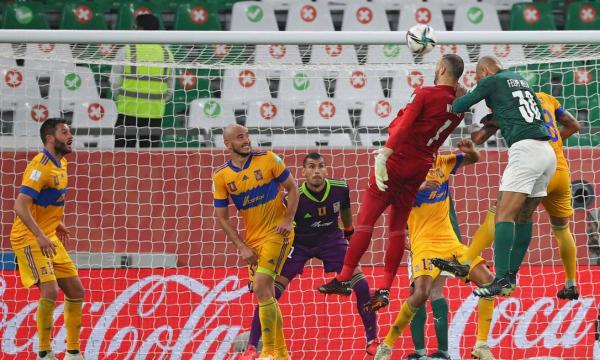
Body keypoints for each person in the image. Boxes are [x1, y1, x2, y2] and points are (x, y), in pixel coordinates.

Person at [319, 54, 466, 312]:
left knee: (365, 221)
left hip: (398, 159)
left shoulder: (424, 94)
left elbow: (403, 126)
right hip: (421, 166)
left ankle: (343, 278)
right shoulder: (459, 106)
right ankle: (385, 288)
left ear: (442, 68)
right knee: (397, 228)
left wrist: (384, 154)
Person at [434, 91, 581, 300]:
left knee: (500, 213)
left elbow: (479, 138)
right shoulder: (547, 98)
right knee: (561, 228)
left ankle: (468, 262)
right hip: (559, 169)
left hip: (533, 165)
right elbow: (574, 125)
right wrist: (553, 142)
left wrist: (482, 126)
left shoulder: (510, 106)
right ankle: (571, 283)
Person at [238, 152, 379, 359]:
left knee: (362, 284)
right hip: (300, 243)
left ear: (326, 170)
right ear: (303, 172)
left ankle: (372, 340)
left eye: (321, 166)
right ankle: (251, 347)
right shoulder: (293, 197)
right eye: (311, 167)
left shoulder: (340, 188)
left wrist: (349, 231)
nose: (317, 171)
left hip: (331, 240)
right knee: (270, 292)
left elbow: (345, 211)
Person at [374, 139, 496, 360]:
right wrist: (417, 188)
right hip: (423, 245)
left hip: (450, 243)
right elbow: (392, 199)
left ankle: (480, 344)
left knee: (488, 281)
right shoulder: (403, 174)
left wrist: (473, 152)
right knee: (420, 293)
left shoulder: (444, 162)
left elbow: (473, 159)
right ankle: (387, 345)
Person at [447, 56, 558, 297]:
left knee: (503, 215)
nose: (479, 81)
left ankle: (500, 278)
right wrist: (499, 116)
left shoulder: (491, 80)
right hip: (547, 152)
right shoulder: (520, 80)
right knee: (524, 217)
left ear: (485, 71)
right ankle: (510, 277)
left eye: (478, 77)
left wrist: (459, 92)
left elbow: (458, 106)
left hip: (525, 151)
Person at [213, 124, 299, 360]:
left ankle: (268, 352)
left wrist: (288, 219)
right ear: (228, 144)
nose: (246, 140)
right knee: (266, 294)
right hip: (253, 241)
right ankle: (282, 354)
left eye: (247, 136)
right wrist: (241, 246)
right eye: (240, 137)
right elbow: (222, 217)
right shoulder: (221, 176)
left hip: (278, 234)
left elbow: (293, 188)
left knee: (261, 286)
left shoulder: (269, 159)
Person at [10, 118, 85, 360]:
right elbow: (20, 205)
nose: (70, 136)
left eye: (70, 131)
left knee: (76, 289)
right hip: (28, 238)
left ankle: (73, 353)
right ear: (50, 139)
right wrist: (41, 234)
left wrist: (55, 223)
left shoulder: (60, 163)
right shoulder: (40, 166)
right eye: (64, 132)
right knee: (50, 290)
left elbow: (44, 200)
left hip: (48, 234)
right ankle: (44, 352)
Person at [405, 197, 462, 360]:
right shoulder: (440, 181)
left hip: (426, 243)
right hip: (444, 243)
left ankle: (421, 353)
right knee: (434, 292)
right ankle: (441, 353)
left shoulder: (415, 183)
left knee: (417, 292)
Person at [110, 14, 174, 148]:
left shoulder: (126, 50)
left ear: (140, 28)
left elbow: (114, 82)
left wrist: (122, 98)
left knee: (123, 160)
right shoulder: (167, 53)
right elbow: (170, 88)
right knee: (150, 161)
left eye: (135, 26)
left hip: (127, 112)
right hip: (154, 115)